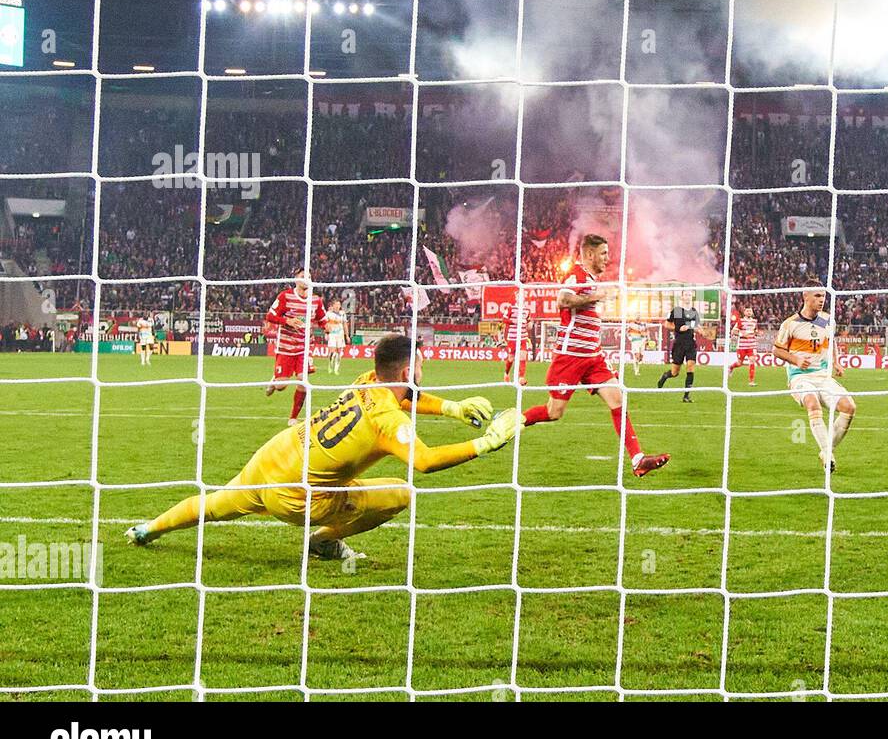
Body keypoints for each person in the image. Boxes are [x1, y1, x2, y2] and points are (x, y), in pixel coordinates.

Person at [126, 333, 520, 562]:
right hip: (300, 497)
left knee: (214, 505)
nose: (422, 372)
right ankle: (325, 541)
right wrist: (485, 443)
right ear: (405, 371)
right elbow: (426, 462)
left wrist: (452, 407)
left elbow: (405, 397)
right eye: (418, 367)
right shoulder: (387, 421)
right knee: (400, 494)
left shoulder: (367, 379)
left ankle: (147, 529)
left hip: (276, 454)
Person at [521, 234, 669, 478]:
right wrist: (595, 297)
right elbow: (563, 300)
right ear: (589, 255)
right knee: (553, 412)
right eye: (603, 253)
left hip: (593, 358)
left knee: (618, 400)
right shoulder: (577, 276)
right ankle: (511, 422)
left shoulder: (591, 280)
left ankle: (638, 459)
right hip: (570, 356)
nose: (607, 259)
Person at [772, 282, 856, 473]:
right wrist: (795, 359)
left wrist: (836, 362)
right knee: (812, 403)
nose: (821, 300)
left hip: (822, 376)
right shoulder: (790, 324)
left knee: (849, 408)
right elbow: (776, 350)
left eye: (823, 297)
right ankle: (829, 454)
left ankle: (826, 452)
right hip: (799, 378)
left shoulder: (828, 320)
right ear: (806, 297)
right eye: (817, 296)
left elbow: (831, 341)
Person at [264, 269, 329, 426]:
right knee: (281, 386)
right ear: (295, 279)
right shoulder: (285, 296)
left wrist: (327, 327)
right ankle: (275, 381)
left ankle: (293, 417)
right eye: (302, 277)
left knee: (303, 380)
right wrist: (287, 321)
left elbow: (322, 319)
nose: (306, 279)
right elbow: (270, 316)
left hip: (304, 347)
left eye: (308, 277)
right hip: (286, 347)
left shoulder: (316, 301)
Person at [658, 293, 700, 402]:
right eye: (686, 294)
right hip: (679, 344)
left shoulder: (693, 311)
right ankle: (665, 376)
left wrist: (700, 330)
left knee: (690, 367)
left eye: (690, 295)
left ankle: (686, 396)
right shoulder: (677, 310)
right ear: (682, 298)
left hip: (690, 343)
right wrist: (678, 328)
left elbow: (696, 326)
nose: (688, 296)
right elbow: (666, 324)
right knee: (674, 373)